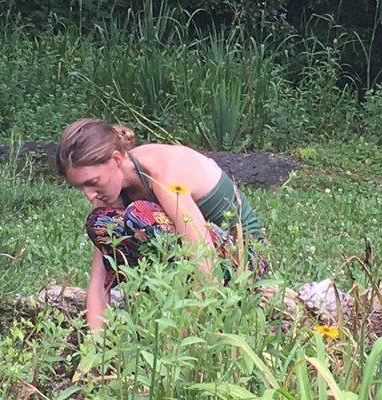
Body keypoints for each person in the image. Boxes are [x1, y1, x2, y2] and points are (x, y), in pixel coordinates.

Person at [56, 118, 267, 332]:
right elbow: (99, 284)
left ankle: (178, 316)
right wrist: (93, 350)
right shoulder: (106, 192)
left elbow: (205, 263)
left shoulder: (164, 176)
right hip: (192, 262)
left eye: (92, 182)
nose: (89, 194)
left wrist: (178, 337)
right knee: (101, 222)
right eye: (80, 186)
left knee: (141, 217)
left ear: (117, 159)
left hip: (244, 264)